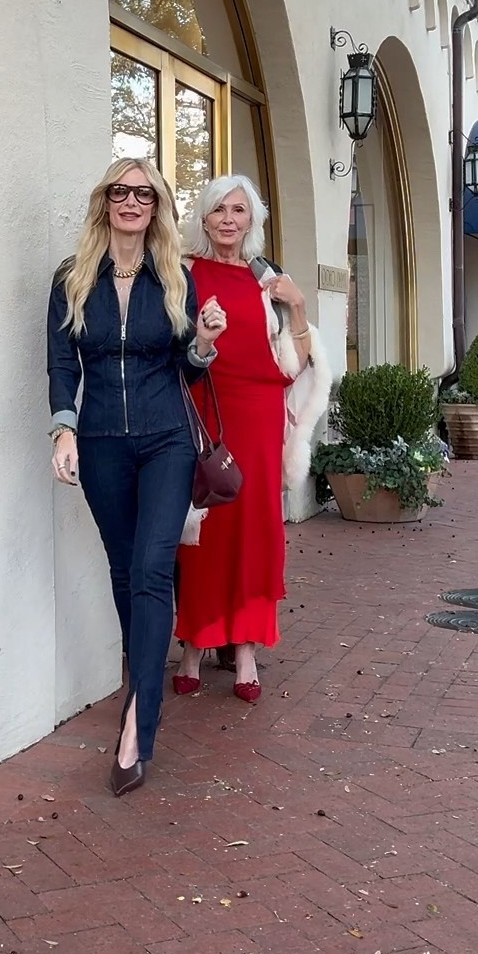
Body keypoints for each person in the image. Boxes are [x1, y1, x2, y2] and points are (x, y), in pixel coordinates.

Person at [48, 157, 227, 795]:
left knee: (152, 569)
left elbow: (193, 367)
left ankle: (136, 725)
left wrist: (205, 340)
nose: (131, 202)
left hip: (166, 442)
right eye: (120, 192)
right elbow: (61, 365)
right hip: (99, 443)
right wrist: (63, 428)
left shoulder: (174, 276)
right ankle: (143, 683)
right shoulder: (73, 279)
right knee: (125, 572)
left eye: (143, 194)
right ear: (105, 202)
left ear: (156, 207)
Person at [172, 174, 331, 700]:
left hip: (259, 416)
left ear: (252, 221)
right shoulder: (183, 273)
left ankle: (245, 649)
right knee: (204, 527)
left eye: (239, 211)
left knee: (255, 528)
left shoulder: (270, 281)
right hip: (204, 412)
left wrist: (300, 305)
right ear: (204, 217)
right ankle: (195, 642)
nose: (228, 220)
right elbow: (169, 349)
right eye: (219, 210)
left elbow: (298, 364)